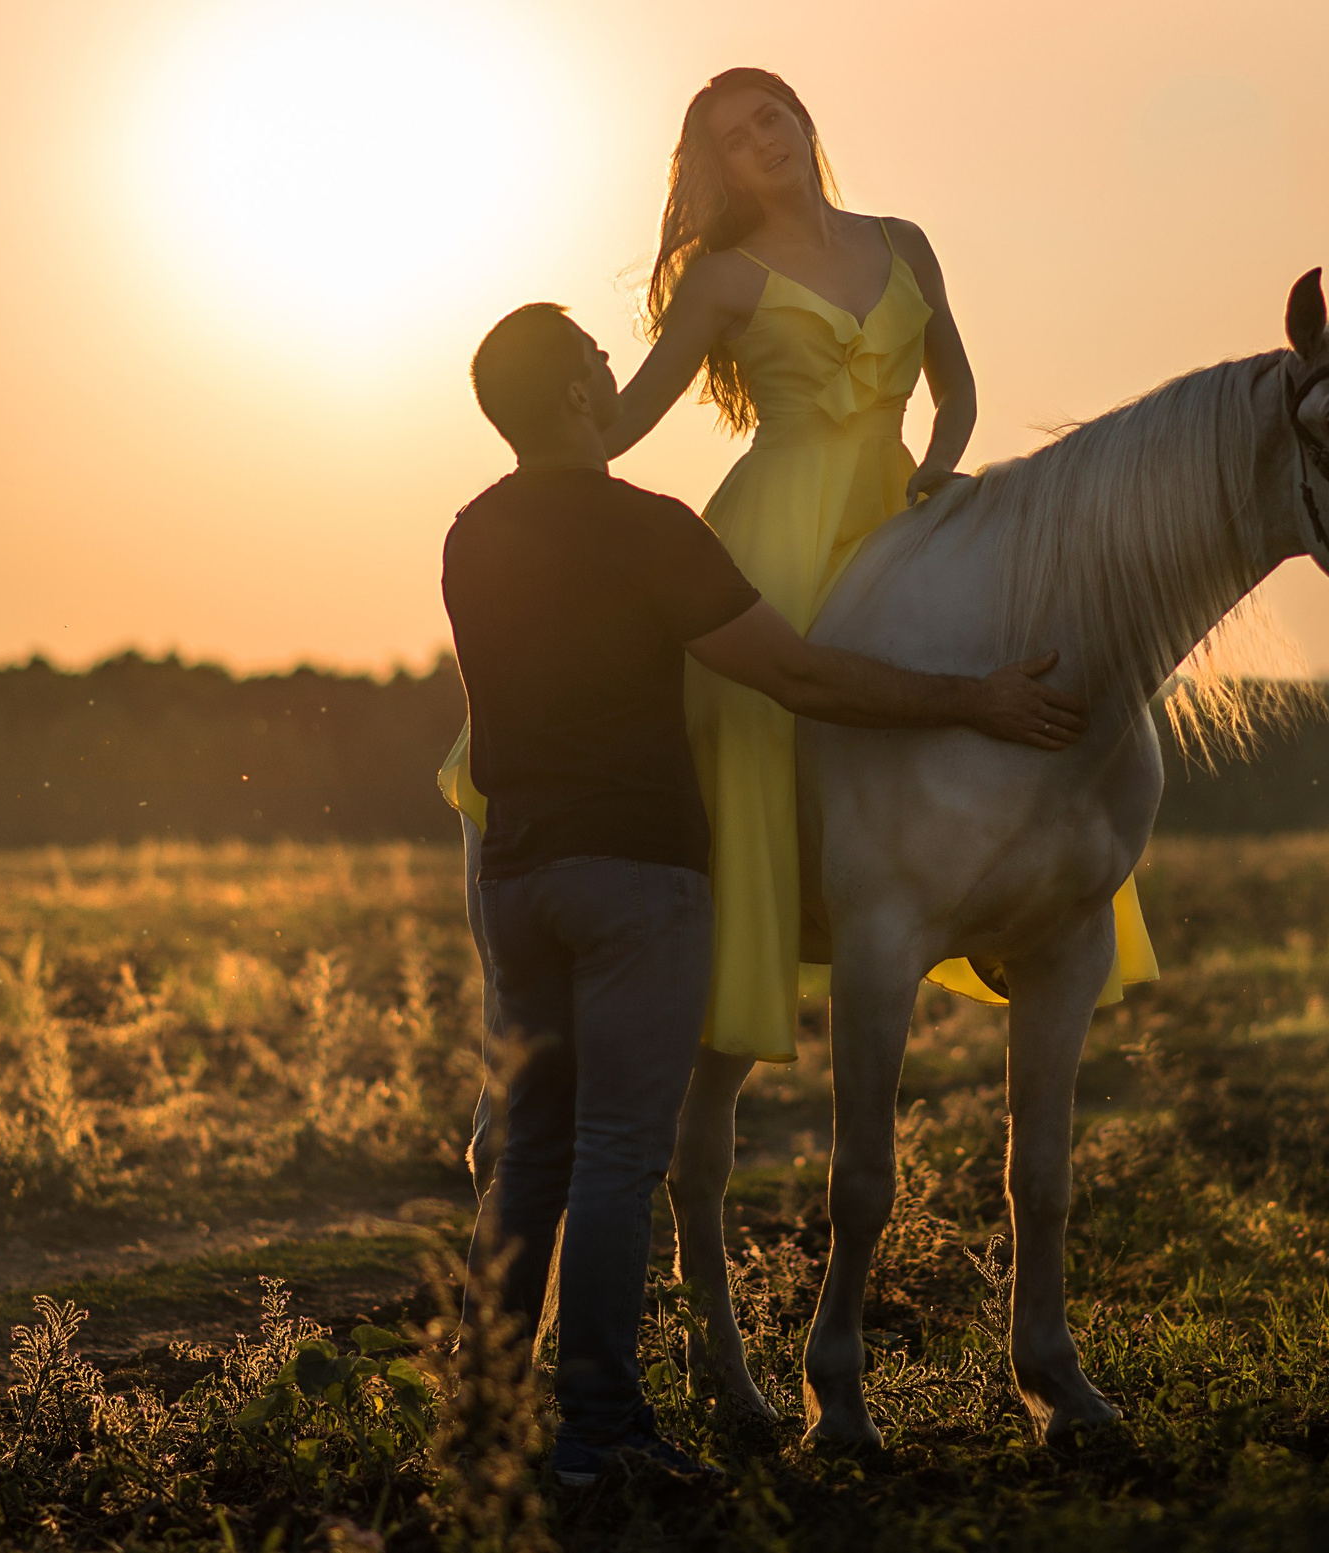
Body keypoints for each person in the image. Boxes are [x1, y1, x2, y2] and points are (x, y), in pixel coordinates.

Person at [444, 302, 1086, 1486]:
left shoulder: (470, 534)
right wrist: (969, 700)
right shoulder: (651, 532)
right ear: (581, 398)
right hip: (636, 876)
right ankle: (597, 1433)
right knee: (618, 1154)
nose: (610, 364)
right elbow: (792, 671)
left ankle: (486, 1419)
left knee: (532, 1148)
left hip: (519, 876)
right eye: (596, 355)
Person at [446, 69, 1158, 1078]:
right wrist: (537, 413)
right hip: (778, 516)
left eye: (768, 116)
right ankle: (750, 928)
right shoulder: (721, 279)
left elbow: (955, 390)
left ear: (801, 117)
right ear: (719, 168)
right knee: (742, 706)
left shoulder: (902, 241)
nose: (762, 140)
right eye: (735, 138)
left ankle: (1019, 905)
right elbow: (628, 417)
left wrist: (942, 471)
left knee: (1030, 670)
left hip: (903, 510)